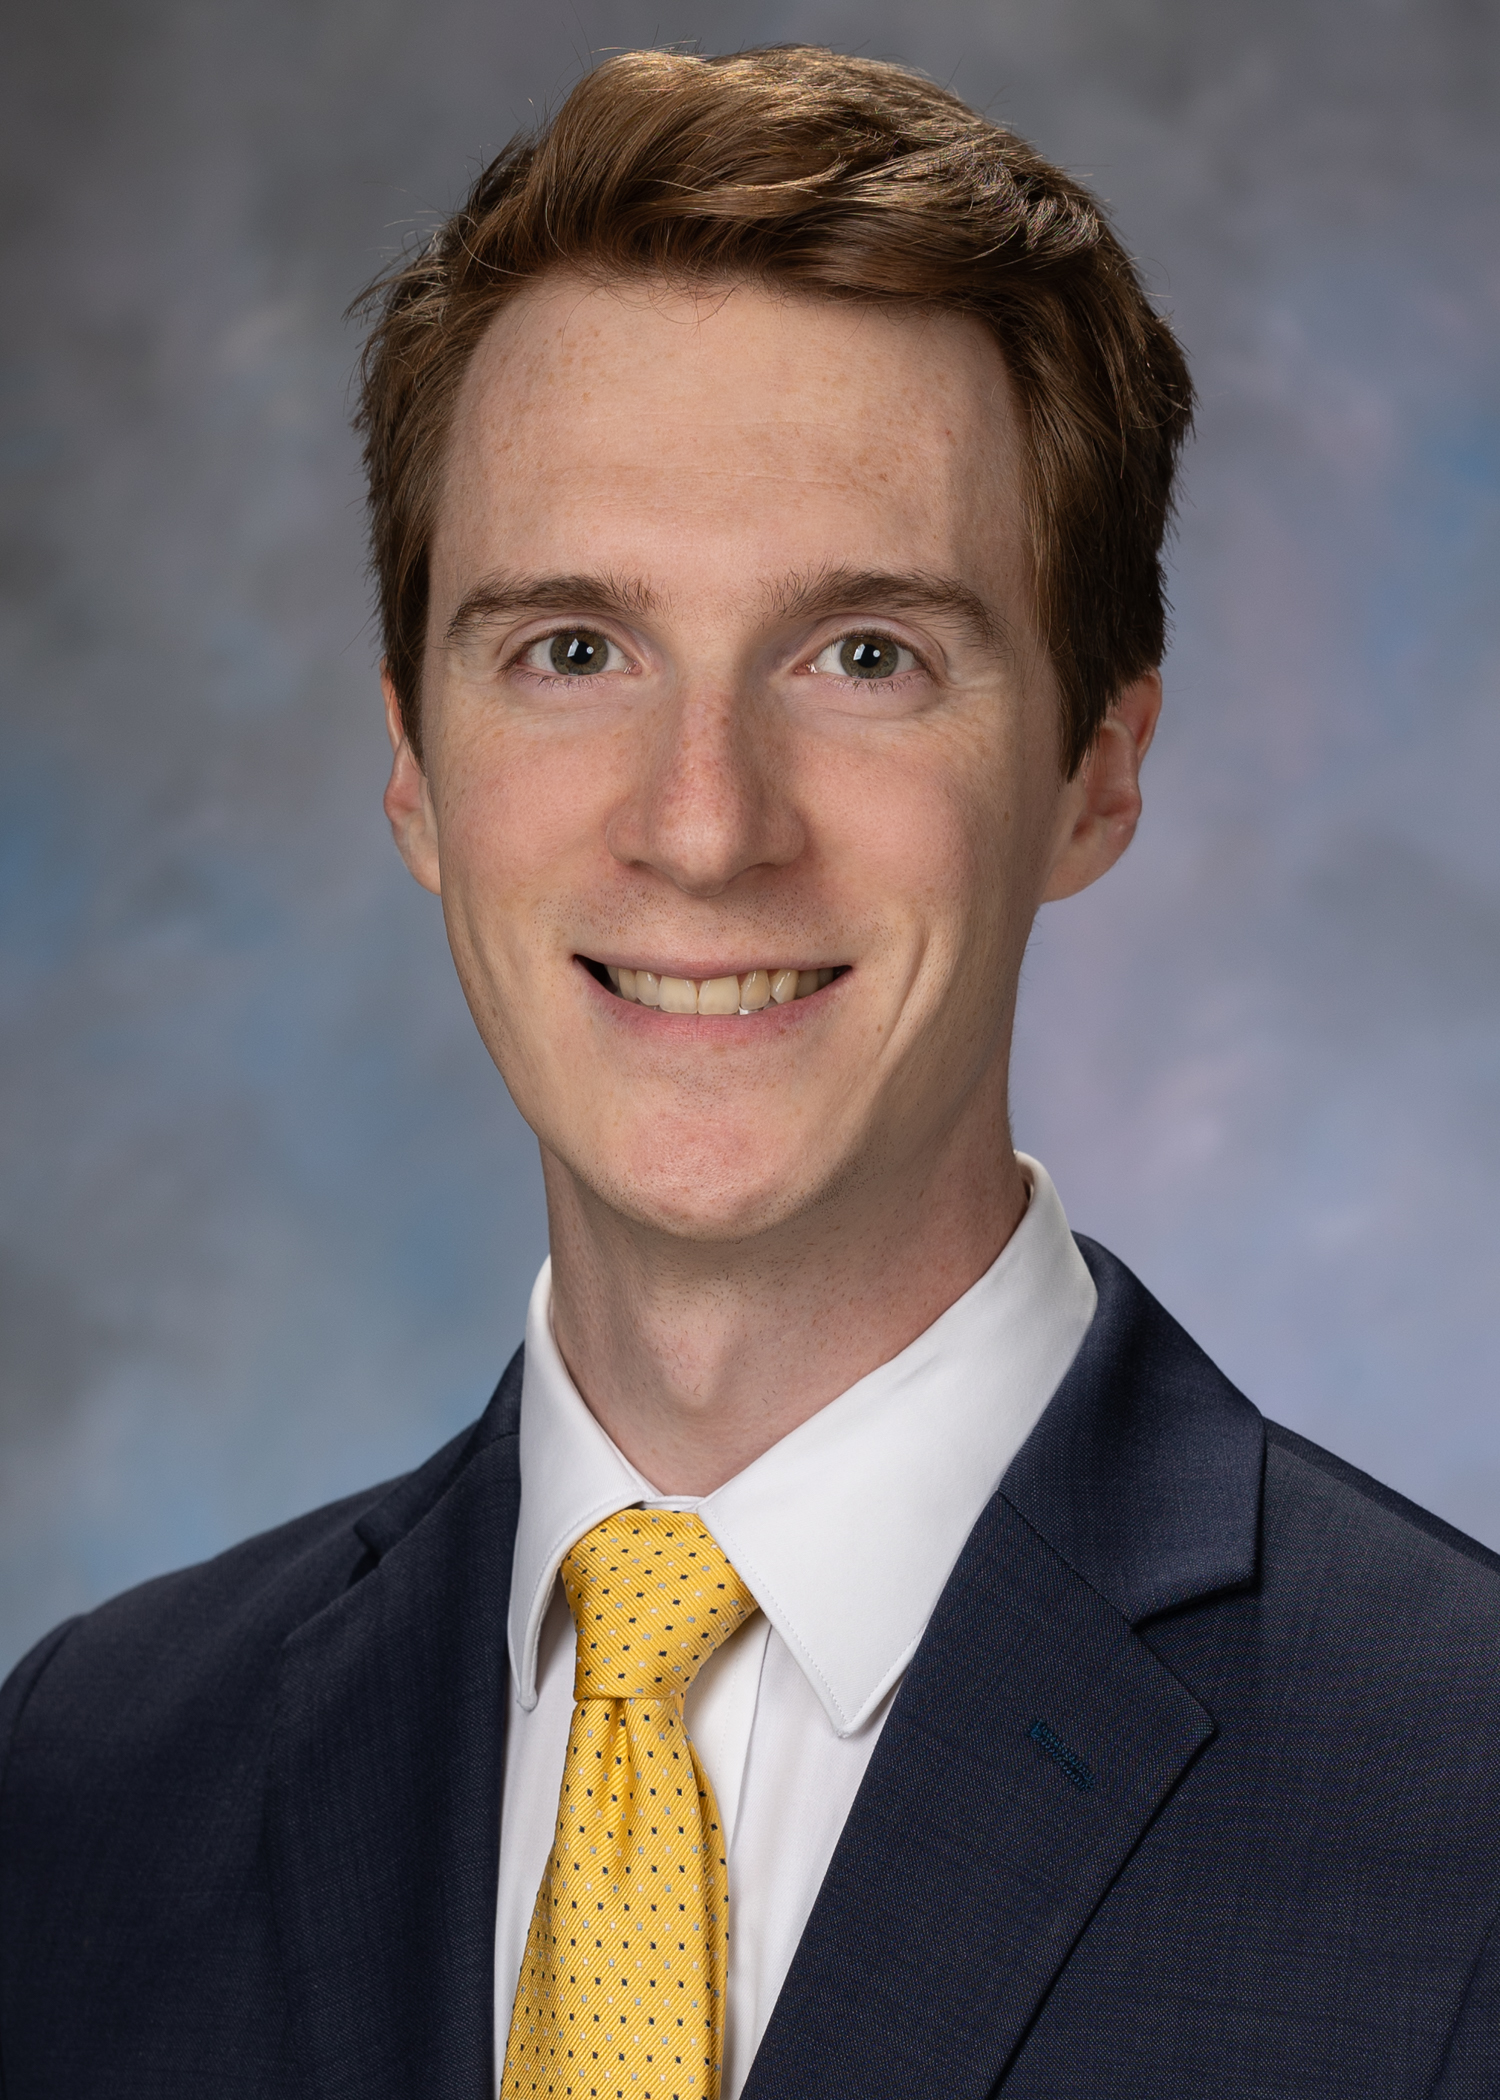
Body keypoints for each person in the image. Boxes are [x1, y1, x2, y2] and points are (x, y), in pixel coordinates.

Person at [1, 43, 1497, 2100]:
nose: (704, 827)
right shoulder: (94, 1782)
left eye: (865, 654)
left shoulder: (1462, 1796)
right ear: (417, 772)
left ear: (1097, 770)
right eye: (574, 650)